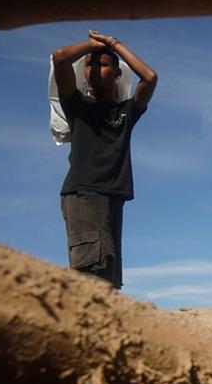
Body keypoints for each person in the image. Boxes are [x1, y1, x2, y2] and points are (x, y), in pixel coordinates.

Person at [52, 31, 158, 289]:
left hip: (112, 197)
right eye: (90, 64)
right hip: (84, 194)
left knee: (108, 277)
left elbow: (149, 77)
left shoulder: (125, 112)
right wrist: (93, 45)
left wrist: (114, 45)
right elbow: (60, 58)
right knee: (91, 274)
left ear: (118, 73)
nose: (95, 69)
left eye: (103, 63)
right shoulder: (78, 107)